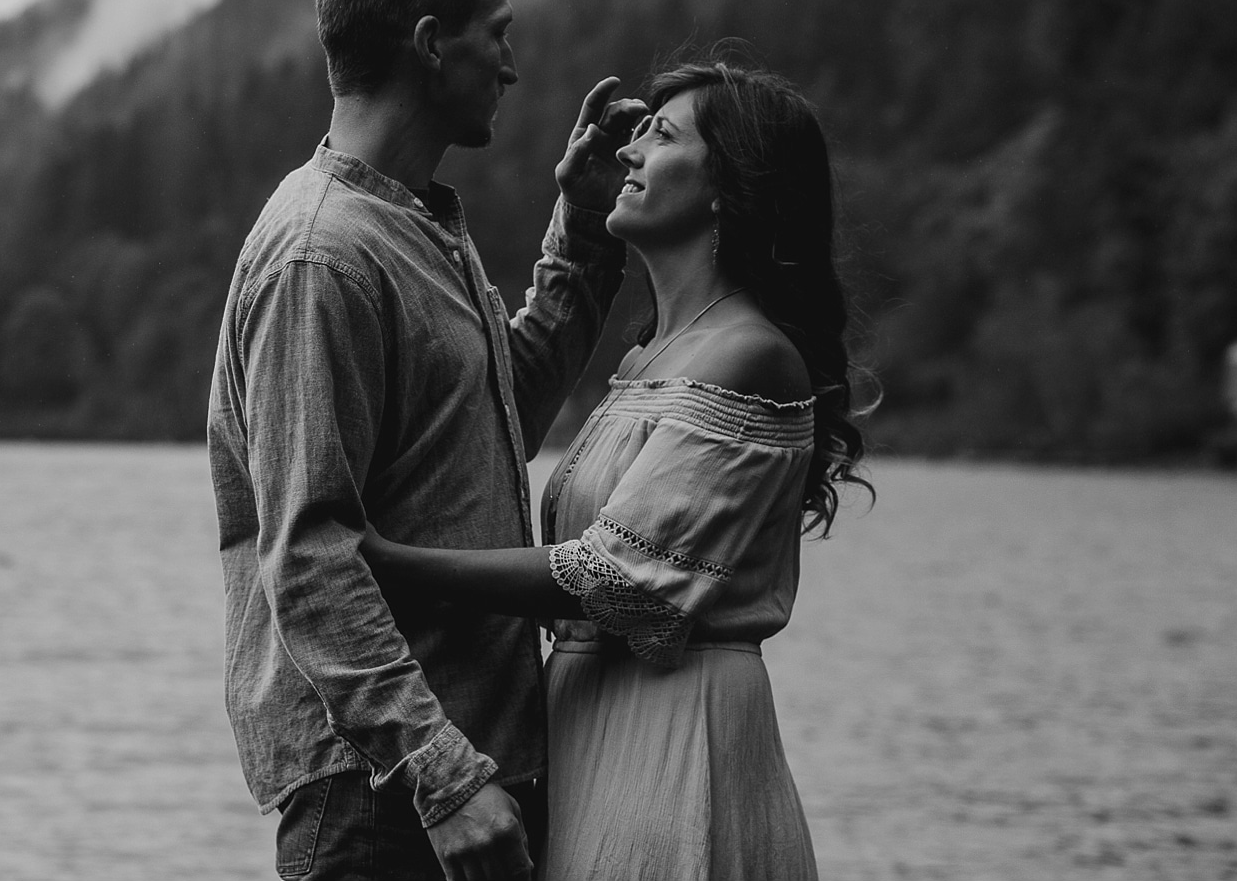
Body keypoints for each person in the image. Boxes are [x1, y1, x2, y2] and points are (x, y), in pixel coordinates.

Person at [207, 0, 647, 880]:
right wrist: (440, 773)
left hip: (454, 783)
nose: (512, 65)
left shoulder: (413, 225)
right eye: (497, 32)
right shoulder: (322, 254)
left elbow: (499, 424)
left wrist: (581, 228)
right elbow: (310, 554)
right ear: (428, 43)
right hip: (383, 802)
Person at [362, 58, 870, 879]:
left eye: (660, 137)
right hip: (589, 722)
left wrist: (391, 564)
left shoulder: (749, 354)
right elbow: (505, 412)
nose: (631, 153)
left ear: (724, 185)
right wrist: (582, 215)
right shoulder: (648, 358)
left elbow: (611, 577)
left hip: (674, 730)